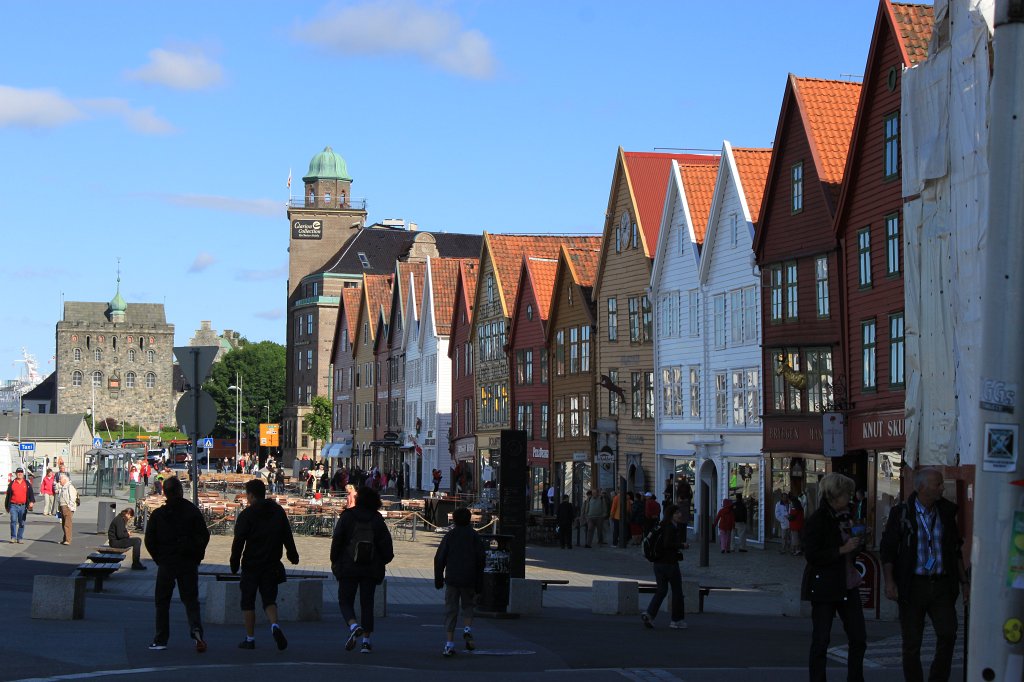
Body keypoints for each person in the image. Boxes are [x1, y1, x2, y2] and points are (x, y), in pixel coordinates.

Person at [880, 467, 968, 682]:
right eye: (937, 484)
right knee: (912, 644)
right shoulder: (901, 513)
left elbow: (955, 549)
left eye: (941, 484)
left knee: (948, 634)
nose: (941, 488)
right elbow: (888, 549)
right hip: (912, 586)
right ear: (921, 487)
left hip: (941, 585)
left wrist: (964, 582)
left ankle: (938, 679)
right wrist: (889, 581)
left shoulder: (946, 513)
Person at [801, 472, 866, 682]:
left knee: (858, 637)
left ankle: (855, 678)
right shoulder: (818, 519)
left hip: (847, 582)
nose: (850, 498)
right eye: (846, 494)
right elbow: (811, 554)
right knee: (821, 640)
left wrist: (859, 540)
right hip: (825, 585)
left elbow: (851, 547)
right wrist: (841, 549)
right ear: (834, 496)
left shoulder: (847, 515)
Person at [230, 479, 300, 651]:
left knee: (248, 601)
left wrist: (234, 561)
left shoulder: (247, 514)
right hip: (272, 563)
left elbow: (239, 541)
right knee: (269, 599)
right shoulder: (277, 511)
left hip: (251, 564)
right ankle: (275, 625)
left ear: (251, 495)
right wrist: (292, 554)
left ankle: (250, 638)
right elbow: (287, 535)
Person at [144, 476, 210, 653]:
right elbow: (204, 536)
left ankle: (160, 639)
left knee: (162, 601)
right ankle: (196, 632)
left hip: (167, 562)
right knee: (190, 600)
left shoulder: (159, 514)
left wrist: (159, 558)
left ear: (165, 492)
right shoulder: (192, 511)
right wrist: (197, 556)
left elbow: (149, 540)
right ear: (181, 491)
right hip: (188, 562)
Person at [330, 486, 394, 654]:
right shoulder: (377, 519)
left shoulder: (347, 517)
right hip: (370, 567)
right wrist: (382, 560)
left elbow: (337, 540)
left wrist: (335, 560)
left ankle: (353, 625)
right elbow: (387, 547)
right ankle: (366, 641)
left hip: (348, 565)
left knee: (345, 600)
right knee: (367, 603)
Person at [434, 506, 486, 657]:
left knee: (451, 609)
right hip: (470, 577)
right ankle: (467, 629)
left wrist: (438, 578)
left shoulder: (450, 535)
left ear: (454, 519)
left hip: (452, 577)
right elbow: (481, 559)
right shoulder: (474, 536)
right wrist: (479, 582)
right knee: (468, 605)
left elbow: (439, 558)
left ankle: (449, 643)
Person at [640, 504, 688, 630]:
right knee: (677, 592)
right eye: (677, 513)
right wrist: (682, 545)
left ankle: (650, 614)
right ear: (671, 515)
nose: (679, 515)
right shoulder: (670, 527)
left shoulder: (660, 525)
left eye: (679, 513)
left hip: (658, 564)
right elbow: (668, 543)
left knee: (661, 590)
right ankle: (676, 620)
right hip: (670, 564)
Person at [5, 467, 35, 543]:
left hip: (23, 506)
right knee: (13, 520)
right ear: (16, 474)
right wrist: (7, 506)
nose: (20, 473)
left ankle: (20, 538)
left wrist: (31, 502)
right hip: (13, 505)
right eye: (18, 472)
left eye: (21, 472)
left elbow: (31, 494)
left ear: (23, 473)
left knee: (22, 522)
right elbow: (8, 495)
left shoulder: (27, 483)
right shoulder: (12, 483)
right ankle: (13, 537)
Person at [56, 473, 77, 544]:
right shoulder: (62, 487)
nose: (59, 481)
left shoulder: (69, 487)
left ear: (65, 480)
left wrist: (69, 506)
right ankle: (65, 539)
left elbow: (73, 497)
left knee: (67, 524)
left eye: (60, 479)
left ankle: (68, 540)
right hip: (62, 507)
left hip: (67, 507)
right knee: (63, 524)